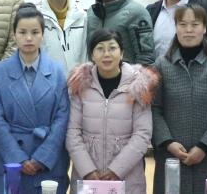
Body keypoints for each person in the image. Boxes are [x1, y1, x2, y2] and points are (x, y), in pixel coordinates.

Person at [151, 5, 207, 194]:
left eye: (195, 24)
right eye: (183, 24)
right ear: (176, 27)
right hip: (171, 156)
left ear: (204, 28)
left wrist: (204, 146)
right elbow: (154, 109)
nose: (188, 30)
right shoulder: (162, 65)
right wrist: (168, 142)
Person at [0, 4, 71, 194]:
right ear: (14, 35)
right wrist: (18, 158)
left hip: (47, 158)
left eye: (35, 32)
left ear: (43, 35)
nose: (29, 38)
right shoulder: (0, 71)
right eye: (22, 32)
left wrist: (42, 158)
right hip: (9, 156)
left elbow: (62, 118)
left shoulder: (57, 71)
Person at [65, 29, 157, 194]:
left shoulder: (138, 86)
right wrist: (88, 171)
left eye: (112, 48)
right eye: (100, 48)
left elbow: (142, 134)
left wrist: (116, 170)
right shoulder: (80, 85)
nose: (106, 54)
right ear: (92, 55)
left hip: (127, 179)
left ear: (121, 53)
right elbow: (72, 132)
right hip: (87, 179)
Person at [85, 0, 155, 65]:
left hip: (127, 74)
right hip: (96, 74)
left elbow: (146, 58)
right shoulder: (92, 13)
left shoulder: (137, 13)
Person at [36, 0, 87, 74]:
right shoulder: (35, 16)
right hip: (46, 81)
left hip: (78, 81)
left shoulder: (82, 16)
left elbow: (85, 54)